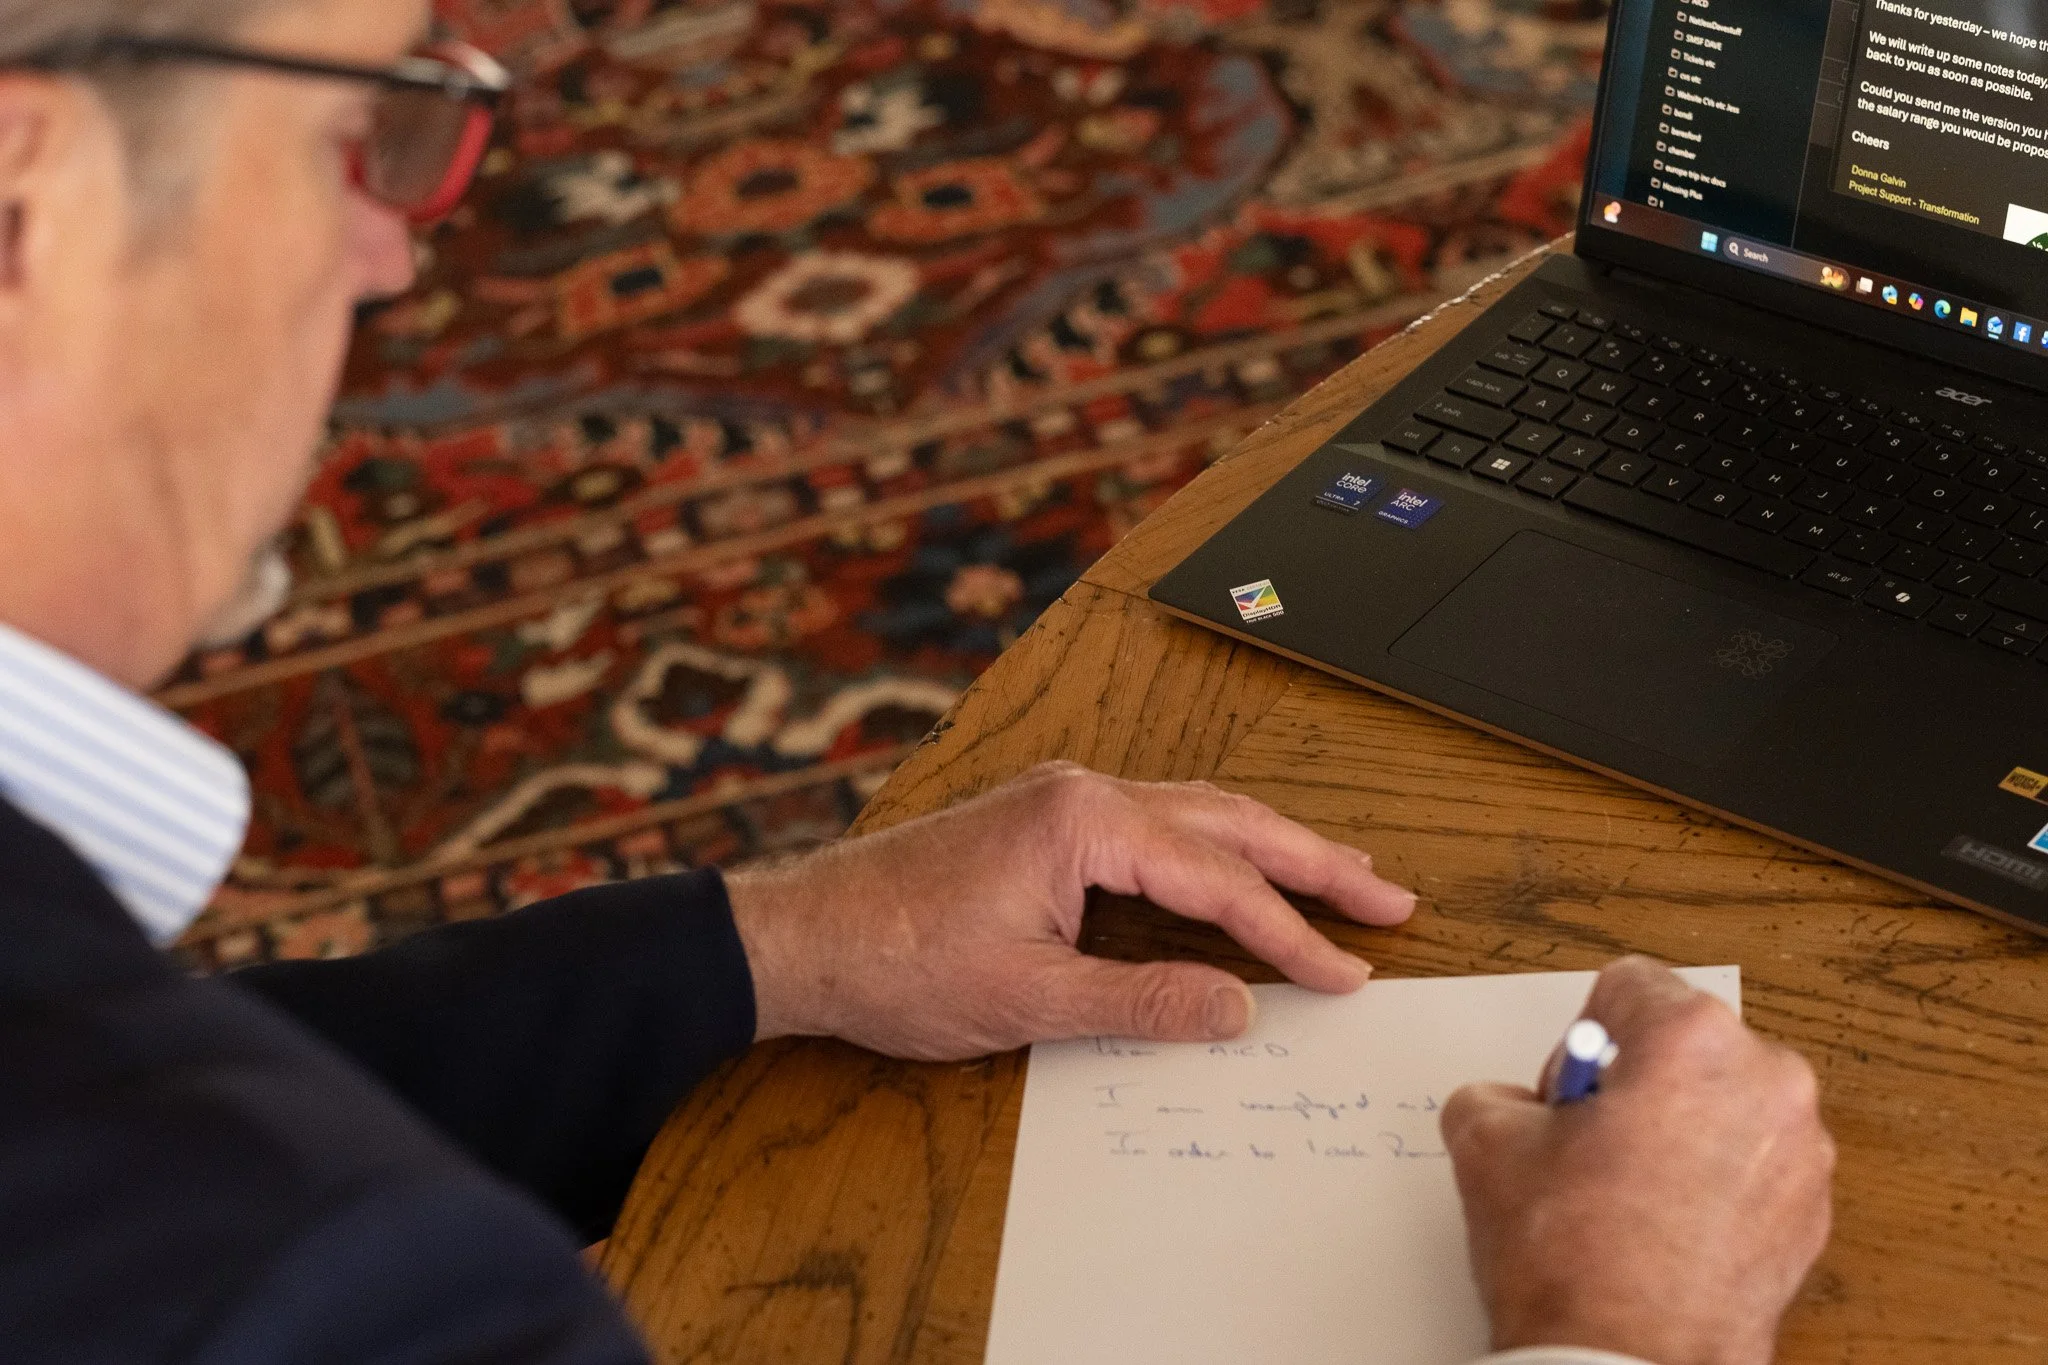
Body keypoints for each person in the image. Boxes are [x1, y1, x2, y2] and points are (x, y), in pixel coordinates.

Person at [0, 0, 1836, 1360]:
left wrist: (769, 947)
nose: (396, 246)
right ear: (26, 193)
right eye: (384, 122)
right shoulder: (318, 1288)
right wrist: (1624, 1327)